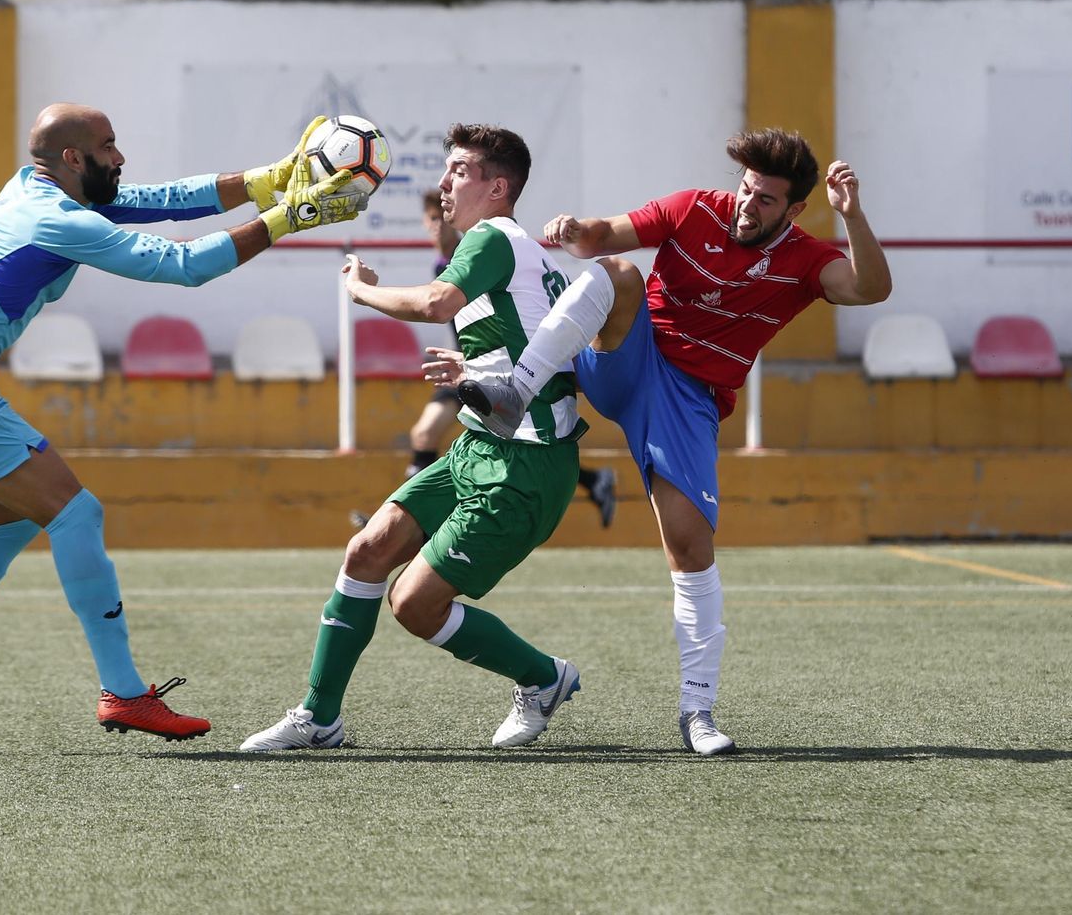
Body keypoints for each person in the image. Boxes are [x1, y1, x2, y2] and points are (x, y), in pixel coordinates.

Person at [0, 105, 363, 750]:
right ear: (74, 159)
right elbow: (184, 266)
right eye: (108, 146)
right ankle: (124, 693)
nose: (121, 157)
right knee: (77, 515)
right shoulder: (59, 218)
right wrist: (291, 216)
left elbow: (162, 199)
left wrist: (273, 178)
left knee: (12, 519)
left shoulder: (31, 191)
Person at [454, 128, 891, 755]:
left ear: (794, 210)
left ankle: (698, 711)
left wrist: (854, 218)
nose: (747, 205)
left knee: (690, 547)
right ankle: (516, 389)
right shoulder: (694, 208)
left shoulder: (807, 257)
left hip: (688, 401)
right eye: (746, 190)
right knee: (620, 273)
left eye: (766, 200)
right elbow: (601, 238)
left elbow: (871, 288)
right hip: (630, 355)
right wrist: (574, 231)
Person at [241, 123, 587, 752]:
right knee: (367, 551)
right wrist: (478, 374)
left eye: (459, 170)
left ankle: (543, 679)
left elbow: (435, 302)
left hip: (524, 469)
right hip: (479, 447)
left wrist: (360, 290)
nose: (443, 181)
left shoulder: (493, 236)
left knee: (414, 605)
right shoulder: (515, 253)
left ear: (497, 186)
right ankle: (320, 719)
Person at [370, 189, 618, 529]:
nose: (435, 227)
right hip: (471, 365)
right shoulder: (456, 259)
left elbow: (435, 304)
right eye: (428, 220)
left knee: (433, 434)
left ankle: (420, 519)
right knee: (443, 436)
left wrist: (360, 291)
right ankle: (414, 516)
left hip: (491, 367)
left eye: (438, 218)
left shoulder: (477, 250)